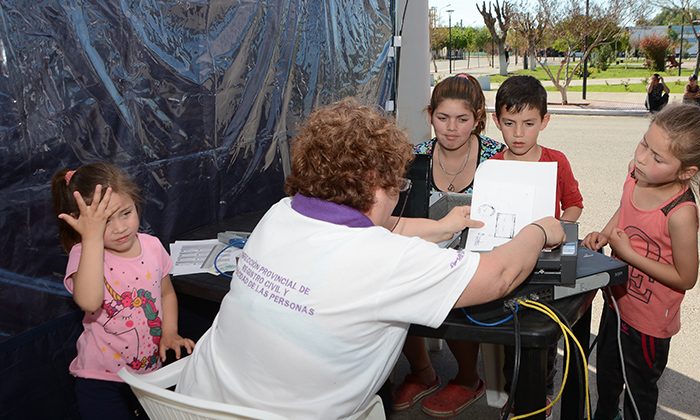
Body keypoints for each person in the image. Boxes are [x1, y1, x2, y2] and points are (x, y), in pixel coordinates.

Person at [175, 98, 565, 419]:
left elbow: (374, 224)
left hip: (192, 404)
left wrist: (441, 227)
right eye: (398, 184)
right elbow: (498, 276)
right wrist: (539, 230)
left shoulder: (281, 213)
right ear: (377, 186)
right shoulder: (385, 260)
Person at [583, 104, 700, 420]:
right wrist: (606, 235)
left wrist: (631, 255)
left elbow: (685, 277)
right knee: (607, 379)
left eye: (657, 157)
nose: (642, 157)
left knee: (639, 393)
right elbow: (625, 208)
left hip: (649, 325)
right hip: (616, 306)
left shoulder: (681, 213)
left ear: (686, 172)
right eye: (644, 143)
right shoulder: (636, 174)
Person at [394, 73, 505, 418]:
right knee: (394, 283)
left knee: (455, 286)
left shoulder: (497, 159)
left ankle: (469, 379)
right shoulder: (416, 157)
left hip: (478, 257)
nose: (451, 128)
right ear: (430, 116)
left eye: (462, 119)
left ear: (477, 119)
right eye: (442, 118)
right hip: (427, 251)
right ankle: (422, 370)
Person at [52, 162, 195, 420]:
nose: (119, 228)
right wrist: (92, 238)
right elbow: (89, 301)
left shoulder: (151, 246)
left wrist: (170, 332)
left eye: (126, 213)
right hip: (100, 380)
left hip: (150, 373)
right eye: (104, 222)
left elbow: (166, 293)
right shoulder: (83, 254)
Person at [490, 75, 584, 416]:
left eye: (529, 124)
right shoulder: (493, 166)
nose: (518, 134)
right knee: (509, 336)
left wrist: (560, 229)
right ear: (496, 120)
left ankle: (541, 390)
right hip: (507, 262)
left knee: (544, 337)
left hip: (546, 264)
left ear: (545, 121)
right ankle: (514, 396)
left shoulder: (556, 161)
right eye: (509, 123)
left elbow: (574, 204)